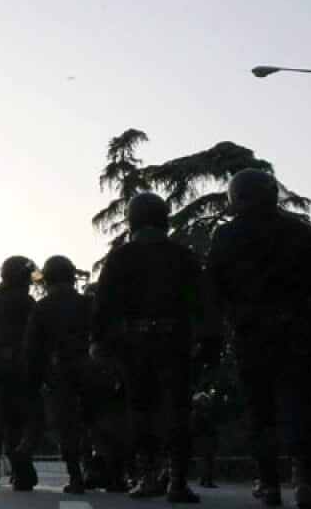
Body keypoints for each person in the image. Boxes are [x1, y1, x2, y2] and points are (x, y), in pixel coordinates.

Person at [207, 169, 311, 509]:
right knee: (298, 401)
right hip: (296, 330)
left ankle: (268, 483)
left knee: (259, 409)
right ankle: (304, 477)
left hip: (250, 334)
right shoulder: (297, 232)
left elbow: (214, 292)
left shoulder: (226, 236)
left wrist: (215, 333)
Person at [93, 192, 211, 504]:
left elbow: (104, 306)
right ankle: (178, 480)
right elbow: (201, 303)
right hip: (175, 342)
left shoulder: (120, 257)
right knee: (178, 410)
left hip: (136, 344)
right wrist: (206, 342)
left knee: (140, 409)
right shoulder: (182, 255)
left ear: (132, 220)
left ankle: (146, 476)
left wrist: (101, 343)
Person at [21, 256, 92, 494]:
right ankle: (106, 472)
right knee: (95, 421)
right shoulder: (87, 304)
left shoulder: (41, 308)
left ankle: (76, 476)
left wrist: (35, 380)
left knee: (67, 426)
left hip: (59, 373)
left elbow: (32, 348)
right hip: (89, 368)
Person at [0, 255, 38, 490]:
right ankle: (21, 461)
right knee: (28, 417)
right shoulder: (28, 302)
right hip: (23, 366)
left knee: (2, 416)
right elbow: (36, 335)